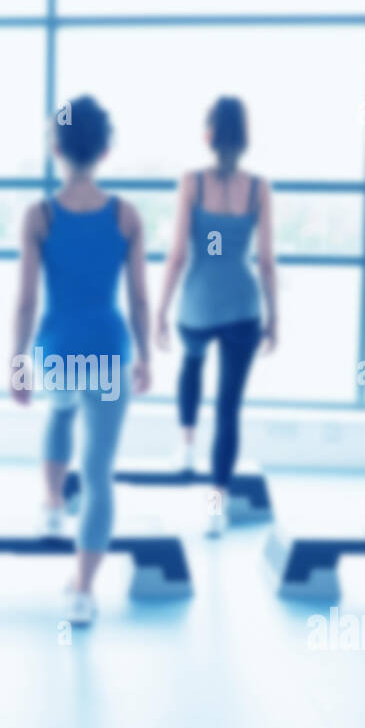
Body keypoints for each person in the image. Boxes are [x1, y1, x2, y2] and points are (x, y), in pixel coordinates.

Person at [10, 95, 151, 626]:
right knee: (98, 471)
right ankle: (84, 590)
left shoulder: (40, 216)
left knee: (61, 414)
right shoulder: (126, 216)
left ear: (57, 148)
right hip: (110, 351)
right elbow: (139, 296)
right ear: (105, 150)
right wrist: (144, 355)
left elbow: (26, 298)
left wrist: (18, 360)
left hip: (58, 351)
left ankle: (50, 504)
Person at [155, 97, 278, 537]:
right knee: (229, 409)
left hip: (199, 303)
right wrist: (275, 317)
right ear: (245, 140)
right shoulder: (259, 188)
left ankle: (186, 445)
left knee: (191, 362)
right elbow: (265, 262)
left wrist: (160, 311)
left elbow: (176, 256)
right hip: (243, 305)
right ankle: (215, 508)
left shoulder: (192, 184)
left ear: (209, 136)